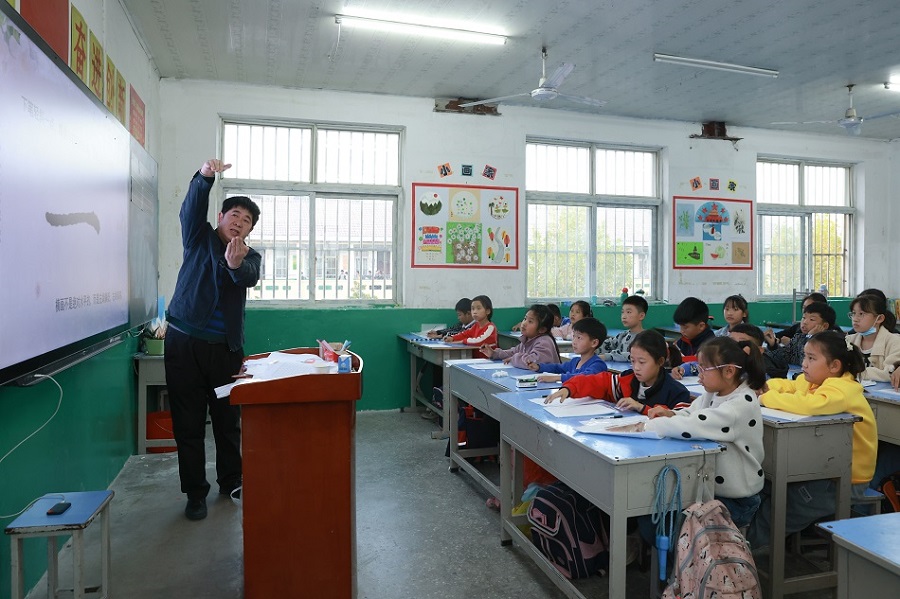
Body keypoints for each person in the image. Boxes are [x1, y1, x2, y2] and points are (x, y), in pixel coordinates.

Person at [165, 158, 261, 521]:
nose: (239, 222)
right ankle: (195, 494)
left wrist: (235, 265)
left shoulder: (250, 256)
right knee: (188, 423)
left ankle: (231, 481)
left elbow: (248, 276)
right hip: (183, 345)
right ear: (220, 217)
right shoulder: (198, 236)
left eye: (246, 220)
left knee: (227, 421)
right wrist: (205, 176)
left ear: (249, 231)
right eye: (234, 214)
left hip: (225, 351)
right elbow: (190, 208)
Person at [748, 331, 878, 548]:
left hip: (843, 478)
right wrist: (765, 386)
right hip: (820, 468)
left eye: (811, 358)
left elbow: (812, 405)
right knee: (763, 486)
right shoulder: (815, 381)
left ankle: (742, 550)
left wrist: (764, 397)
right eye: (804, 356)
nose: (804, 363)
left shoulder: (843, 389)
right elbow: (789, 385)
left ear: (834, 366)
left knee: (780, 509)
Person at [643, 337, 766, 529]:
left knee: (662, 523)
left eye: (704, 369)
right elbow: (691, 414)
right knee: (651, 513)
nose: (699, 376)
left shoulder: (740, 404)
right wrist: (671, 414)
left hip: (736, 500)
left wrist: (649, 426)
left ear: (729, 371)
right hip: (711, 491)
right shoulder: (713, 393)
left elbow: (694, 425)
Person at [544, 330, 691, 416]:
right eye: (632, 361)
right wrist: (569, 389)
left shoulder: (676, 392)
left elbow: (678, 419)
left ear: (660, 361)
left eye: (642, 362)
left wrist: (641, 407)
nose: (636, 367)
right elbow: (597, 382)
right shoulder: (628, 379)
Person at [529, 317, 608, 382]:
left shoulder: (598, 365)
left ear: (594, 343)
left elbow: (583, 377)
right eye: (574, 336)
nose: (574, 342)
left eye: (579, 337)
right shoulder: (575, 362)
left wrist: (557, 378)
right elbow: (557, 367)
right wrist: (539, 367)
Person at [766, 301, 835, 374]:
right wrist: (773, 345)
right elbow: (786, 356)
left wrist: (809, 337)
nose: (805, 322)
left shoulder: (828, 343)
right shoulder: (799, 337)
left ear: (824, 326)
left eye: (812, 319)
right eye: (804, 317)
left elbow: (805, 361)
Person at [483, 304, 561, 368]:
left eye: (530, 321)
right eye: (525, 319)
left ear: (542, 329)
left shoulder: (544, 342)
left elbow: (532, 362)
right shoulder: (528, 339)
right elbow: (513, 352)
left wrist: (514, 358)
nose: (524, 323)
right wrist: (494, 353)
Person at [846, 293, 900, 382]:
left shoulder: (895, 342)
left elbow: (890, 372)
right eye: (854, 313)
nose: (855, 319)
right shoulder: (848, 340)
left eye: (861, 314)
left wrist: (854, 372)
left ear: (879, 318)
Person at [764, 292, 829, 348]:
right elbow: (780, 336)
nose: (806, 311)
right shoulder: (800, 327)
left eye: (812, 319)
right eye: (804, 308)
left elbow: (805, 354)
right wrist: (772, 341)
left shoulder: (828, 337)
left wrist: (792, 343)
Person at [599, 295, 648, 362]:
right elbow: (607, 345)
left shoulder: (646, 339)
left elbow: (633, 355)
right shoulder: (622, 335)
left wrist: (608, 356)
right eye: (622, 312)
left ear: (641, 316)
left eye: (628, 312)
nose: (624, 316)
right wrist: (592, 349)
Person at [672, 296, 715, 361]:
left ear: (701, 326)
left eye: (685, 327)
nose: (681, 331)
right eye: (680, 326)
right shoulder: (683, 341)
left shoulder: (711, 346)